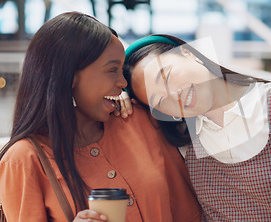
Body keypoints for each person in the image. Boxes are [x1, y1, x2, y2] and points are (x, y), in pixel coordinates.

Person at [0, 12, 202, 222]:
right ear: (68, 76)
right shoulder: (23, 160)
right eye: (112, 70)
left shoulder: (139, 121)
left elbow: (190, 214)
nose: (123, 82)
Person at [122, 34, 271, 221]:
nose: (174, 95)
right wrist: (118, 97)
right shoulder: (183, 142)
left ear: (188, 53)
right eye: (160, 100)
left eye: (166, 77)